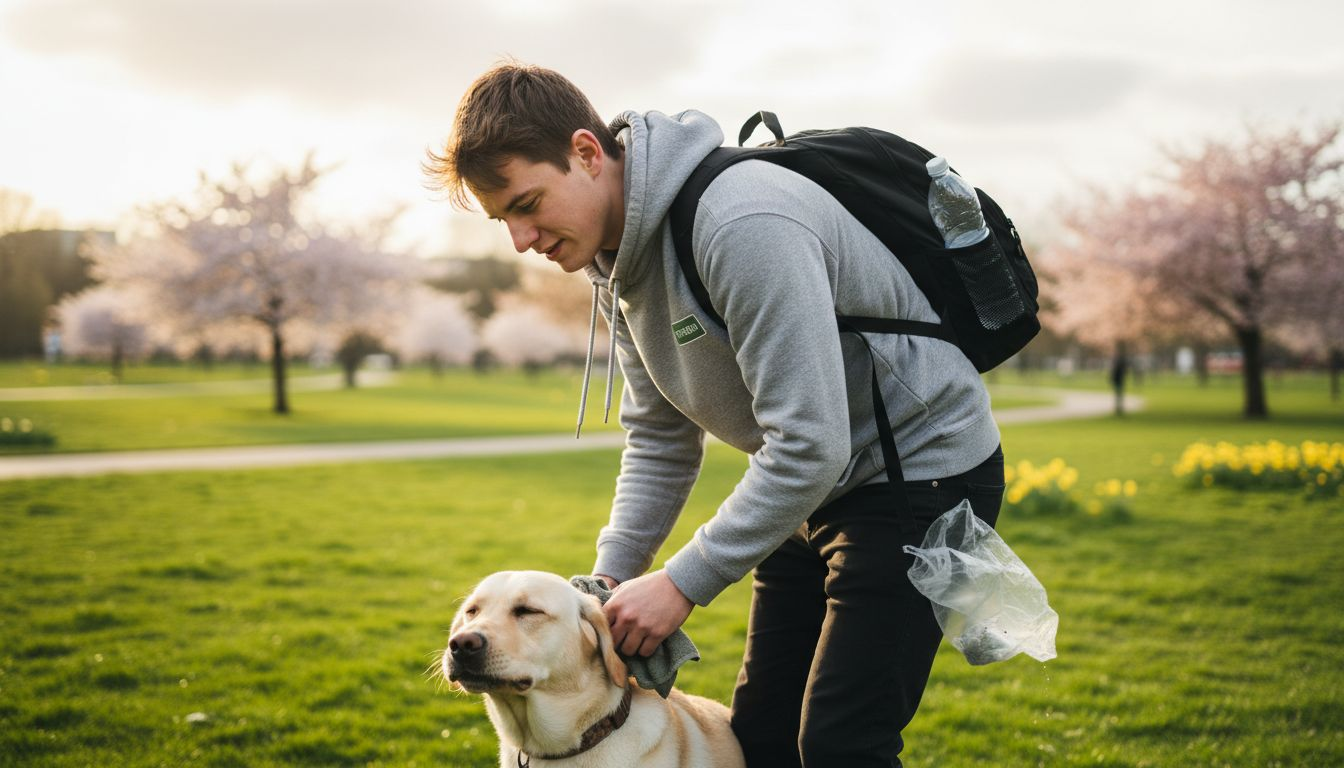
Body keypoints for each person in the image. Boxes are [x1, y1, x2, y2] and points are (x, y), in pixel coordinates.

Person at [426, 61, 1006, 768]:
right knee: (760, 739)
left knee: (840, 745)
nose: (521, 240)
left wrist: (681, 582)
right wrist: (610, 580)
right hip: (811, 492)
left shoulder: (742, 223)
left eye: (527, 204)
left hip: (919, 475)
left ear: (584, 152)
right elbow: (661, 438)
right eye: (502, 221)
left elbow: (811, 444)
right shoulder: (616, 263)